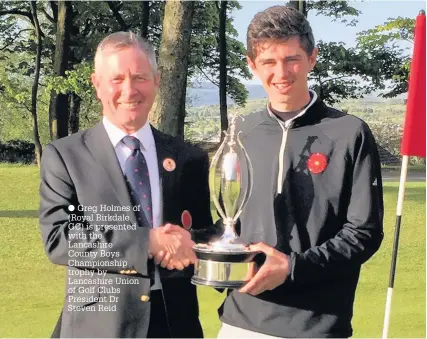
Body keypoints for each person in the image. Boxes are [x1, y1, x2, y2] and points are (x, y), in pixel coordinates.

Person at [216, 6, 384, 338]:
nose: (281, 72)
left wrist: (293, 269)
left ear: (312, 58)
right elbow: (228, 222)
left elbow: (363, 233)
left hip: (316, 324)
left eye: (292, 59)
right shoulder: (241, 133)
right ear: (252, 65)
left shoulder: (349, 133)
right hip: (241, 321)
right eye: (268, 62)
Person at [39, 31, 216, 338]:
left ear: (157, 81)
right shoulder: (65, 156)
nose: (129, 90)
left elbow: (203, 232)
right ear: (97, 84)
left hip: (175, 323)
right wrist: (148, 242)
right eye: (117, 78)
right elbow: (60, 239)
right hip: (100, 326)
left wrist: (194, 242)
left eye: (139, 77)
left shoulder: (189, 157)